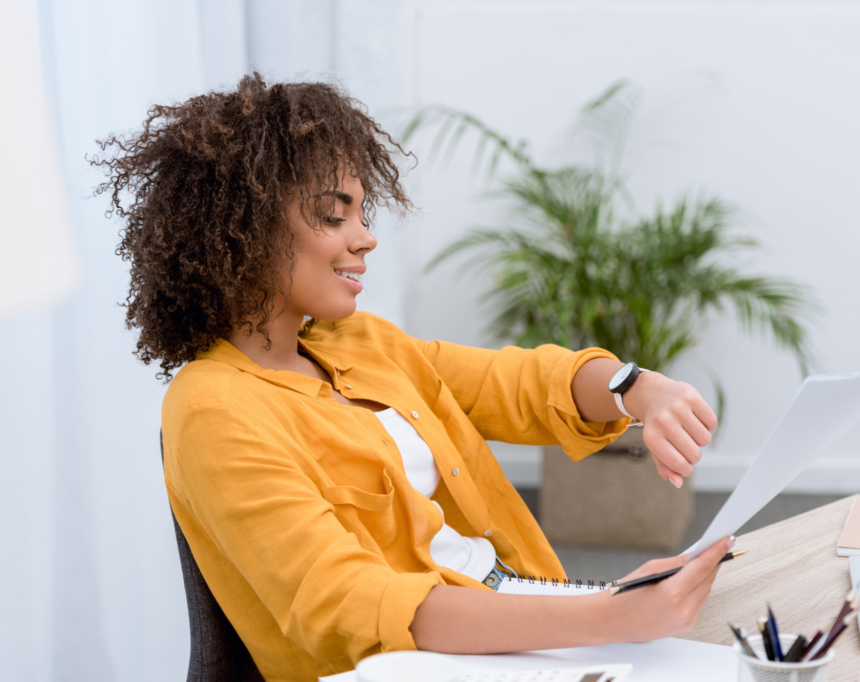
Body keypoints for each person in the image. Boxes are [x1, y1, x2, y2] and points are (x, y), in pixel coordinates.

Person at [94, 73, 731, 682]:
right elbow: (352, 603)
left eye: (363, 214)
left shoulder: (361, 341)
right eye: (334, 214)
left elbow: (519, 384)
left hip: (528, 620)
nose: (366, 238)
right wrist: (608, 615)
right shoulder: (212, 408)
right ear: (247, 225)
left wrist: (636, 387)